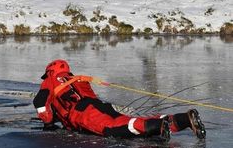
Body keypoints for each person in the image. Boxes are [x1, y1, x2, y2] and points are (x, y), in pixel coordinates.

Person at [32, 59, 206, 140]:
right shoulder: (78, 79)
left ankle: (158, 126)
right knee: (125, 120)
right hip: (99, 106)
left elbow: (40, 102)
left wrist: (47, 122)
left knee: (114, 128)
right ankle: (183, 119)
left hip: (83, 113)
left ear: (50, 71)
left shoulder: (50, 79)